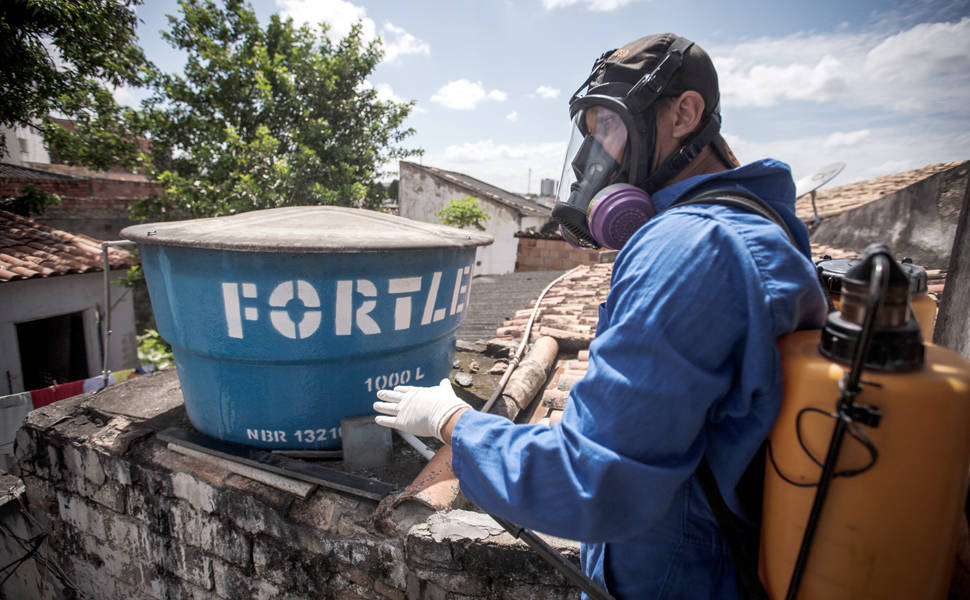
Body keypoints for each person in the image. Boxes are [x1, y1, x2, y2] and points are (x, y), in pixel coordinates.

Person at [374, 33, 827, 599]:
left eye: (607, 126)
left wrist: (452, 422)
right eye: (586, 136)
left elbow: (590, 481)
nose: (594, 158)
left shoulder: (689, 248)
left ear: (685, 113)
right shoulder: (758, 223)